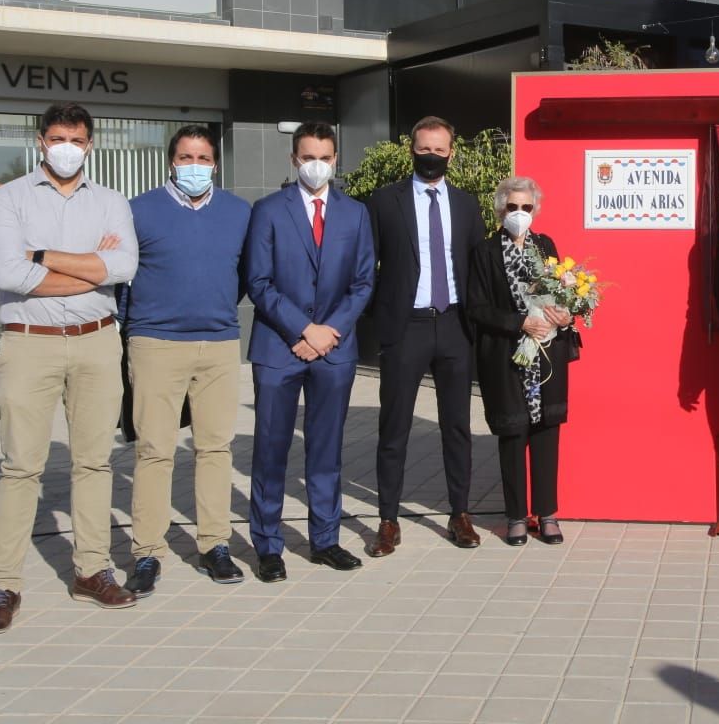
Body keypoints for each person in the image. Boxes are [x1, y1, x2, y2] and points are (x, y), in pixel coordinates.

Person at [0, 102, 140, 634]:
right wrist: (89, 270)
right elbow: (8, 270)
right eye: (56, 137)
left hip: (97, 343)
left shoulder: (112, 201)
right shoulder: (6, 199)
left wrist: (42, 255)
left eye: (76, 138)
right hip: (31, 343)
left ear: (90, 144)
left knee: (94, 463)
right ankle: (4, 584)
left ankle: (91, 570)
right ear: (41, 141)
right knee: (21, 466)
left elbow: (124, 266)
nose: (66, 147)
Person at [122, 124, 251, 597]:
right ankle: (147, 552)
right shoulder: (139, 210)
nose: (193, 166)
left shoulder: (238, 212)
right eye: (185, 158)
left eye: (202, 158)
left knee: (215, 449)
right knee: (154, 450)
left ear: (215, 163)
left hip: (218, 343)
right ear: (170, 161)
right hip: (156, 342)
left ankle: (214, 545)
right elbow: (123, 280)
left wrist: (212, 307)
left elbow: (241, 275)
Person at [244, 121, 374, 582]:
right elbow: (257, 281)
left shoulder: (355, 213)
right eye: (307, 156)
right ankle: (268, 545)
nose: (315, 164)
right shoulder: (268, 210)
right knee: (271, 449)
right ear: (294, 159)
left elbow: (362, 284)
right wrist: (302, 328)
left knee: (326, 449)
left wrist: (328, 332)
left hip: (334, 350)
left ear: (335, 159)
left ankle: (325, 540)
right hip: (279, 346)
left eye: (324, 156)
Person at [365, 116, 487, 554]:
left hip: (455, 326)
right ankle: (388, 519)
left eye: (439, 149)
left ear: (451, 152)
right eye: (423, 148)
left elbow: (477, 269)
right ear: (411, 150)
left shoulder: (467, 204)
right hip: (406, 327)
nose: (431, 156)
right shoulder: (384, 201)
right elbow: (367, 266)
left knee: (457, 427)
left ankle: (460, 513)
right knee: (393, 427)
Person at [467, 177, 579, 547]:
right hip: (507, 356)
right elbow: (477, 307)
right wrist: (519, 322)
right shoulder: (484, 252)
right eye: (512, 207)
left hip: (546, 356)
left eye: (525, 207)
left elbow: (563, 292)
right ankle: (516, 516)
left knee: (547, 433)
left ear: (535, 210)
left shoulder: (545, 246)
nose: (519, 213)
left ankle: (547, 514)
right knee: (513, 435)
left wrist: (566, 315)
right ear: (501, 209)